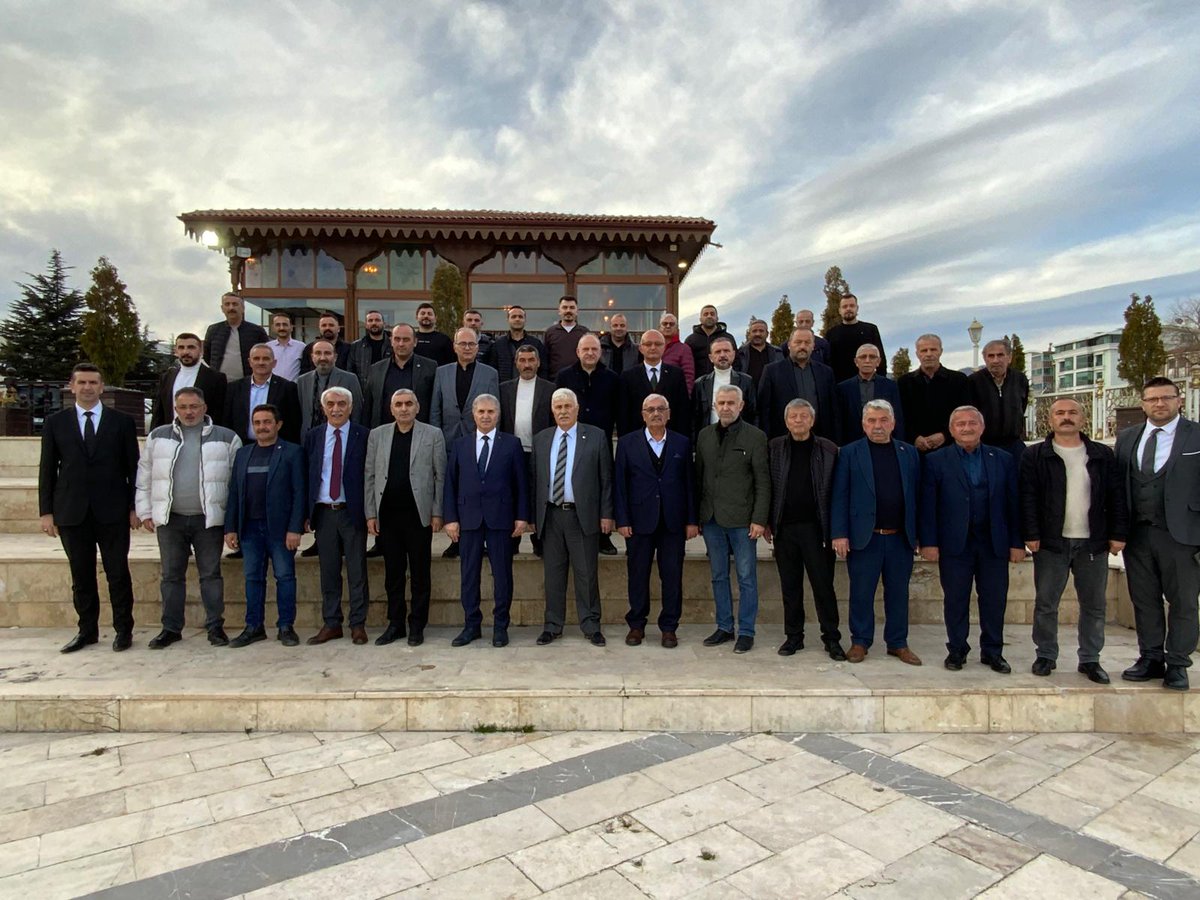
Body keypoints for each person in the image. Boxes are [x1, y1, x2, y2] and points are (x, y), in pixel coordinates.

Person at [1020, 398, 1127, 683]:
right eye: (1059, 413)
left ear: (1082, 418)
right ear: (1050, 420)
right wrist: (1031, 534)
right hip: (1051, 542)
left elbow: (1116, 496)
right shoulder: (1036, 455)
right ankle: (1046, 654)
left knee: (1094, 605)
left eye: (1072, 412)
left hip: (1093, 542)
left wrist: (1118, 534)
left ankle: (1090, 659)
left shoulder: (1102, 455)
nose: (1066, 417)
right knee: (1046, 603)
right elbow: (1028, 497)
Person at [39, 363, 140, 653]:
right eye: (81, 382)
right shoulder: (56, 422)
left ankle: (123, 630)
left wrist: (135, 507)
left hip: (113, 510)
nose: (87, 387)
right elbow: (48, 469)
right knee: (81, 575)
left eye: (93, 382)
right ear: (72, 387)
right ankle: (87, 631)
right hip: (72, 511)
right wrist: (46, 512)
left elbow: (133, 468)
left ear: (102, 387)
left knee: (117, 573)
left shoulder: (121, 422)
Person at [919, 406, 1024, 673]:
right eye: (960, 424)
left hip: (993, 542)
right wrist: (928, 542)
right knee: (956, 599)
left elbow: (1013, 503)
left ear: (982, 427)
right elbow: (928, 505)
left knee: (994, 600)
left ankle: (993, 651)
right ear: (951, 429)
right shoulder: (936, 460)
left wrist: (1016, 542)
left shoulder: (1003, 459)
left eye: (972, 423)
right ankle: (957, 650)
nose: (967, 428)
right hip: (955, 543)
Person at [136, 386, 241, 649]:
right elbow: (145, 475)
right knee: (171, 576)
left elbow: (237, 484)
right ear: (175, 409)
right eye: (183, 407)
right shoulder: (158, 436)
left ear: (204, 408)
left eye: (194, 406)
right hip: (171, 519)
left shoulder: (227, 438)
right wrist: (145, 511)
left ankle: (215, 627)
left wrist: (232, 521)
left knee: (211, 575)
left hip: (208, 520)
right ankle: (171, 629)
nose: (189, 412)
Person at [1114, 376, 1200, 691]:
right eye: (1152, 399)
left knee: (1184, 602)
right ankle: (1150, 657)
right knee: (1144, 599)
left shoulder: (1195, 435)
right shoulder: (1127, 438)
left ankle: (1177, 663)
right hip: (1137, 534)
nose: (1159, 404)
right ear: (1143, 404)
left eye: (1166, 397)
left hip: (1182, 535)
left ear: (1179, 400)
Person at [831, 399, 922, 665]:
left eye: (883, 420)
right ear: (863, 424)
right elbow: (839, 495)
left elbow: (918, 496)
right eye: (871, 421)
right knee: (861, 593)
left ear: (893, 423)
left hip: (900, 537)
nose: (877, 426)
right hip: (865, 537)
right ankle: (860, 641)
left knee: (898, 593)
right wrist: (839, 533)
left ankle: (898, 643)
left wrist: (919, 534)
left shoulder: (909, 453)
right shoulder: (849, 453)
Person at [442, 394, 529, 647]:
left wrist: (522, 516)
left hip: (500, 518)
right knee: (469, 575)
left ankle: (501, 626)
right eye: (481, 411)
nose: (486, 416)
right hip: (468, 518)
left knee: (502, 575)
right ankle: (472, 625)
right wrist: (450, 518)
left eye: (491, 411)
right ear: (474, 414)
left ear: (498, 414)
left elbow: (521, 483)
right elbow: (450, 483)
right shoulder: (460, 444)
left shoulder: (512, 444)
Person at [533, 388, 615, 646]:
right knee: (553, 575)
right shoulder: (542, 439)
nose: (563, 411)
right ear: (552, 411)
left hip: (582, 516)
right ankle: (552, 625)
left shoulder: (596, 436)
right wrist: (533, 517)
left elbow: (606, 479)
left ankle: (591, 625)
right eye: (558, 407)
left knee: (586, 574)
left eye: (568, 406)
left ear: (577, 409)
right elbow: (535, 480)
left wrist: (606, 514)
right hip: (551, 516)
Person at [766, 399, 846, 660]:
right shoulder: (775, 448)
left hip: (817, 530)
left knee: (823, 586)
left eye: (803, 416)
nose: (798, 421)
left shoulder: (829, 449)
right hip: (785, 529)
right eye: (793, 416)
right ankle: (794, 637)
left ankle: (831, 638)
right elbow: (768, 486)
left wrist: (836, 531)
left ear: (812, 420)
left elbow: (838, 492)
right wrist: (767, 521)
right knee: (790, 586)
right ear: (786, 421)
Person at [615, 393, 697, 648]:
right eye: (650, 409)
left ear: (669, 414)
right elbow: (620, 485)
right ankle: (636, 625)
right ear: (643, 415)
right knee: (638, 574)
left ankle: (669, 627)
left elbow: (690, 483)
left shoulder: (682, 443)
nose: (656, 413)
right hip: (639, 521)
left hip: (673, 521)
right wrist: (622, 519)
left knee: (672, 576)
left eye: (661, 409)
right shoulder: (627, 443)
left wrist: (691, 520)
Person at [365, 389, 446, 647]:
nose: (404, 408)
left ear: (417, 407)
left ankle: (417, 624)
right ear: (391, 409)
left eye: (409, 403)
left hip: (418, 516)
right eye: (398, 404)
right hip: (388, 515)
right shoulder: (377, 435)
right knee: (393, 573)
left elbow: (440, 476)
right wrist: (370, 513)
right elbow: (370, 475)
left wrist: (437, 512)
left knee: (420, 573)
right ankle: (396, 623)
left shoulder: (433, 434)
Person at [223, 403, 306, 647]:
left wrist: (295, 528)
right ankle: (254, 627)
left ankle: (286, 626)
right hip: (249, 529)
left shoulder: (292, 452)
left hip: (280, 529)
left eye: (267, 422)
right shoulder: (243, 454)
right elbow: (234, 492)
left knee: (285, 577)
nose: (262, 427)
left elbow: (299, 492)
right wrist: (230, 527)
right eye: (257, 422)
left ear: (278, 424)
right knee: (252, 578)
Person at [695, 385, 770, 654]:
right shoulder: (704, 435)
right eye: (721, 403)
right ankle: (724, 626)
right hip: (712, 519)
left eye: (731, 403)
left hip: (742, 521)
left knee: (746, 577)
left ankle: (746, 631)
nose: (725, 407)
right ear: (714, 406)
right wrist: (698, 515)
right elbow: (700, 477)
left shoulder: (755, 437)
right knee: (718, 576)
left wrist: (759, 519)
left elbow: (763, 482)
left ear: (741, 406)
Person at [302, 386, 370, 645]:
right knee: (328, 571)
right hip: (324, 513)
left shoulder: (364, 435)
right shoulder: (314, 436)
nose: (336, 409)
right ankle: (332, 623)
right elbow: (308, 474)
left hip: (352, 512)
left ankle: (358, 624)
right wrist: (306, 513)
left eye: (342, 404)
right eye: (330, 404)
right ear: (323, 408)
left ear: (350, 407)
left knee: (357, 571)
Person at [499, 344, 554, 556]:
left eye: (531, 360)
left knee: (537, 494)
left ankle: (538, 539)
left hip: (540, 451)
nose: (527, 364)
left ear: (538, 362)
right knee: (512, 493)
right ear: (516, 363)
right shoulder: (504, 388)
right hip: (512, 451)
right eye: (522, 360)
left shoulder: (550, 388)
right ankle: (512, 540)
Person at [757, 328, 837, 441]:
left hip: (820, 439)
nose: (802, 346)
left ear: (813, 346)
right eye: (798, 342)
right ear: (789, 345)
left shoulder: (826, 372)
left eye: (807, 342)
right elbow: (764, 410)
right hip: (783, 440)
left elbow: (834, 410)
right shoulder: (772, 371)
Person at [898, 333, 970, 452]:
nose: (929, 354)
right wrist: (914, 437)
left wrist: (945, 435)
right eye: (924, 350)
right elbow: (901, 415)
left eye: (933, 349)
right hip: (914, 448)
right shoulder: (904, 383)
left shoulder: (959, 380)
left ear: (941, 351)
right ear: (917, 354)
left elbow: (964, 414)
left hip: (950, 448)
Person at [430, 327, 501, 446]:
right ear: (454, 347)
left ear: (477, 347)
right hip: (447, 440)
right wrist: (436, 439)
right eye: (463, 344)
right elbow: (435, 411)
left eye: (471, 344)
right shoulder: (441, 373)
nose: (467, 348)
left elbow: (496, 412)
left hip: (477, 441)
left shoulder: (490, 374)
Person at [617, 329, 690, 439]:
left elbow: (683, 412)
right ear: (640, 348)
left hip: (670, 439)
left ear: (664, 347)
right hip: (637, 439)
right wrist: (625, 442)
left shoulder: (676, 375)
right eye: (648, 344)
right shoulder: (628, 376)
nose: (653, 347)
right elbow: (623, 414)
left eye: (658, 344)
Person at [224, 343, 301, 445]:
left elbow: (294, 423)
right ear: (250, 362)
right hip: (241, 446)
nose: (261, 362)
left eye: (266, 359)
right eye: (256, 358)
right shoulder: (234, 388)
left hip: (276, 447)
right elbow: (227, 420)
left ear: (274, 363)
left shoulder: (288, 388)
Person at [968, 339, 1030, 464]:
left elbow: (1022, 407)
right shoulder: (973, 381)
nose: (995, 360)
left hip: (1014, 445)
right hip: (984, 445)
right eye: (991, 356)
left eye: (1000, 355)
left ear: (1009, 357)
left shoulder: (1020, 379)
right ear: (985, 359)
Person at [363, 324, 437, 429]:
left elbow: (435, 407)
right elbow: (368, 408)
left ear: (415, 342)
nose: (401, 344)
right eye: (397, 339)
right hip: (384, 433)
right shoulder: (376, 369)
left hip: (419, 433)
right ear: (391, 341)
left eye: (406, 340)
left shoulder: (430, 368)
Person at [151, 333, 227, 429]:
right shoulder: (167, 377)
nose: (186, 352)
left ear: (201, 350)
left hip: (205, 435)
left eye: (191, 347)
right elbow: (159, 412)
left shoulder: (216, 378)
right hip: (171, 435)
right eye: (181, 347)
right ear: (176, 351)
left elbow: (221, 414)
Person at [834, 344, 904, 446]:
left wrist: (898, 444)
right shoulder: (843, 388)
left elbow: (898, 417)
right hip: (852, 443)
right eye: (863, 357)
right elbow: (839, 421)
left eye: (872, 357)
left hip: (883, 441)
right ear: (856, 361)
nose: (867, 360)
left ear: (878, 361)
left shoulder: (890, 386)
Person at [692, 335, 756, 442]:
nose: (722, 355)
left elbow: (753, 414)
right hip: (710, 441)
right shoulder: (700, 384)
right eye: (717, 352)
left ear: (733, 354)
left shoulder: (746, 381)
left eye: (726, 351)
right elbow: (694, 418)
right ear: (711, 357)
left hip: (740, 440)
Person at [556, 333, 621, 439]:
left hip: (602, 438)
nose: (590, 353)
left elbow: (619, 413)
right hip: (572, 438)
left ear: (600, 352)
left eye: (594, 349)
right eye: (586, 349)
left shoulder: (612, 378)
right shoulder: (564, 377)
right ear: (578, 352)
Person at [296, 340, 363, 440]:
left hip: (340, 437)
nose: (322, 358)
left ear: (335, 357)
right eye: (318, 353)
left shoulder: (350, 379)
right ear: (312, 357)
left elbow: (357, 412)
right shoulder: (302, 380)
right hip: (310, 439)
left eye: (327, 353)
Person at [203, 292, 269, 381]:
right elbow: (207, 356)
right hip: (218, 383)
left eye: (235, 304)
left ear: (243, 308)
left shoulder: (256, 331)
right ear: (222, 308)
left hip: (247, 382)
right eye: (227, 304)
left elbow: (266, 355)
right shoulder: (213, 330)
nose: (231, 308)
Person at [824, 293, 884, 383]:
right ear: (840, 310)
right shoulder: (831, 333)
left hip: (868, 382)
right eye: (845, 306)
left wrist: (881, 382)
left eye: (851, 306)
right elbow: (828, 362)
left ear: (857, 308)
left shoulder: (870, 330)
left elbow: (880, 358)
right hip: (840, 384)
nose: (848, 309)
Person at [486, 305, 547, 382]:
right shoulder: (498, 344)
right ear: (508, 320)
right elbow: (492, 369)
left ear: (525, 320)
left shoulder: (536, 343)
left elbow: (543, 369)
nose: (517, 319)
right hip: (504, 386)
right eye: (513, 317)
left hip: (531, 385)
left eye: (520, 317)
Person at [543, 295, 589, 376]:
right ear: (559, 311)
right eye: (565, 307)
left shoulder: (584, 333)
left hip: (580, 379)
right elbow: (545, 360)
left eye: (572, 307)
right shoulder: (550, 332)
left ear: (577, 311)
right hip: (555, 380)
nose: (568, 310)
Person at [685, 304, 732, 379]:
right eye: (706, 314)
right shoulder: (691, 340)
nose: (709, 316)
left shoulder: (728, 338)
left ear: (717, 318)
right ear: (700, 319)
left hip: (725, 381)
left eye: (712, 314)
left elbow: (736, 361)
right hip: (698, 382)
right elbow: (686, 364)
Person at [735, 318, 784, 383]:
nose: (757, 334)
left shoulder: (777, 352)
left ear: (767, 334)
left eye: (761, 331)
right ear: (749, 334)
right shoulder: (740, 354)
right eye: (754, 331)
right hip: (747, 389)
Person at [658, 312, 696, 394]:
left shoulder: (684, 349)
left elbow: (688, 376)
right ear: (659, 328)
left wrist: (686, 396)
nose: (668, 326)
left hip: (674, 394)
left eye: (671, 324)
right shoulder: (652, 347)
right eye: (665, 324)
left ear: (677, 329)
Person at [349, 309, 390, 382]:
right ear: (366, 325)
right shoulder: (356, 346)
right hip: (364, 387)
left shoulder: (392, 345)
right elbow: (350, 371)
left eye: (377, 320)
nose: (374, 323)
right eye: (370, 320)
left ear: (384, 324)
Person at [267, 311, 305, 382]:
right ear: (273, 328)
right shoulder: (267, 348)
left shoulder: (301, 347)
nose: (281, 328)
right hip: (273, 387)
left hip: (294, 387)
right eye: (278, 325)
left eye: (285, 324)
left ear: (291, 327)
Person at [414, 302, 455, 367]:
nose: (426, 316)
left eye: (429, 314)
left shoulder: (444, 340)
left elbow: (452, 364)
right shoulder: (411, 339)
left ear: (435, 318)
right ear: (416, 317)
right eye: (423, 313)